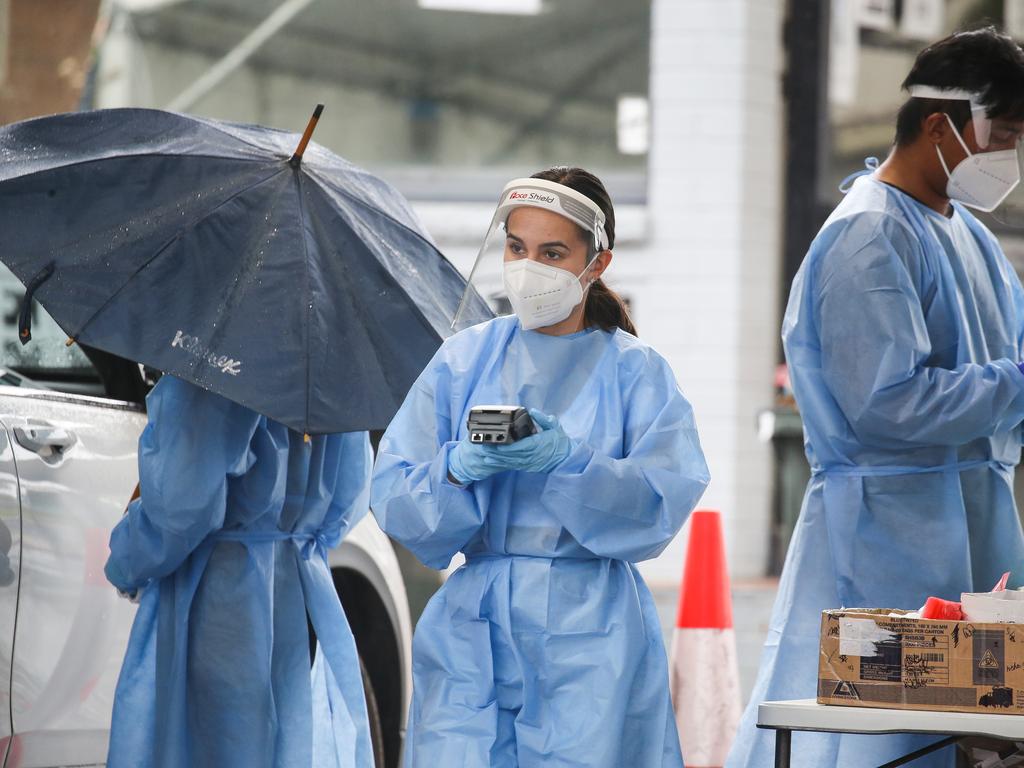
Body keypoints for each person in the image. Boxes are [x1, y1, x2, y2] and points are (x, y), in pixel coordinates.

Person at [728, 28, 1024, 768]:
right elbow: (888, 405)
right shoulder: (868, 237)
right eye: (1007, 137)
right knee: (876, 744)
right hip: (883, 543)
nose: (1012, 160)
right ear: (939, 125)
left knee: (973, 743)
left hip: (971, 532)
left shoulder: (969, 238)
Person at [371, 166, 710, 767]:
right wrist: (454, 470)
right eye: (516, 247)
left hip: (591, 635)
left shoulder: (638, 373)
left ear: (596, 264)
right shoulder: (464, 358)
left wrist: (570, 462)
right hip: (472, 628)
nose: (529, 268)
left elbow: (659, 502)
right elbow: (395, 495)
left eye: (553, 253)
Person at [104, 375, 375, 768]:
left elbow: (182, 506)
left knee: (217, 750)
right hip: (298, 588)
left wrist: (128, 557)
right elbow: (350, 496)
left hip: (221, 596)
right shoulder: (338, 367)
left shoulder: (220, 364)